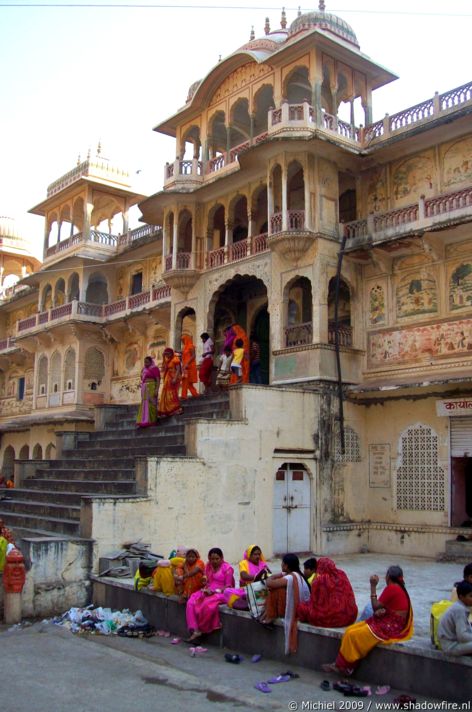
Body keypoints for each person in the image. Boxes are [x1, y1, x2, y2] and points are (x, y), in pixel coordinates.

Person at [322, 565, 413, 676]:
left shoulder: (392, 588)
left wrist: (373, 586)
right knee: (350, 630)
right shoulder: (399, 588)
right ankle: (344, 664)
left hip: (391, 626)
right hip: (389, 621)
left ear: (388, 577)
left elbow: (375, 606)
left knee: (354, 635)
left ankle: (345, 667)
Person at [260, 553, 310, 654]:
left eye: (282, 563)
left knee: (275, 591)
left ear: (286, 566)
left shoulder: (290, 577)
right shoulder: (297, 575)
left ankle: (270, 616)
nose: (281, 565)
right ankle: (267, 614)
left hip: (296, 611)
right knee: (277, 590)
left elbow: (269, 583)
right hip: (302, 607)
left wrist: (273, 576)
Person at [185, 547, 234, 642]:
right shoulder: (208, 566)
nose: (214, 561)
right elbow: (207, 581)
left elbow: (228, 586)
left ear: (222, 558)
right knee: (192, 600)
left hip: (222, 593)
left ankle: (201, 630)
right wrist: (205, 585)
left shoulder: (228, 569)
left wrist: (215, 591)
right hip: (208, 590)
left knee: (207, 604)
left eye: (217, 559)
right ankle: (194, 630)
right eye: (212, 559)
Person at [297, 557, 358, 628]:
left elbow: (314, 603)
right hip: (350, 616)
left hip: (329, 618)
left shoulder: (319, 580)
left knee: (301, 608)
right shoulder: (342, 574)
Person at [224, 544, 271, 609]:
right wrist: (258, 576)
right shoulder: (244, 563)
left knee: (265, 594)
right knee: (227, 591)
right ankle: (246, 604)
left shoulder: (263, 564)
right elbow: (244, 576)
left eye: (259, 554)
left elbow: (269, 576)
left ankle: (249, 603)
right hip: (246, 590)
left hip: (259, 590)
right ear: (249, 555)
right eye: (255, 554)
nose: (257, 556)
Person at [438, 580, 472, 655]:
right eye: (471, 596)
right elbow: (462, 636)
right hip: (451, 646)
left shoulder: (459, 606)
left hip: (452, 643)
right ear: (461, 597)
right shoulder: (459, 610)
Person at [136, 356, 160, 427]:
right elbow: (141, 378)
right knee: (144, 403)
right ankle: (144, 420)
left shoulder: (154, 368)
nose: (145, 363)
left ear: (151, 362)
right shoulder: (144, 369)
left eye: (147, 362)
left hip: (152, 386)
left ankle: (152, 420)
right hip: (144, 387)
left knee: (152, 403)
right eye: (144, 362)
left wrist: (156, 389)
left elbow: (158, 379)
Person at [158, 347, 183, 417]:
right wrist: (163, 357)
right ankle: (167, 410)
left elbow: (178, 370)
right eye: (166, 354)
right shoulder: (167, 360)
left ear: (171, 353)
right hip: (168, 378)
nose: (167, 355)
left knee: (172, 393)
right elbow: (164, 367)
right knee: (166, 393)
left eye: (168, 354)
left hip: (174, 378)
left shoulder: (175, 359)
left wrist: (175, 378)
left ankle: (175, 409)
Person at [180, 334, 199, 399]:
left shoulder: (191, 346)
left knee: (187, 381)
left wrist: (187, 363)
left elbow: (193, 356)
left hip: (190, 366)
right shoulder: (184, 347)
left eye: (183, 340)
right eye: (182, 340)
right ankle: (194, 394)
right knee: (185, 381)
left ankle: (184, 396)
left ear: (187, 339)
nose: (182, 341)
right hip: (185, 366)